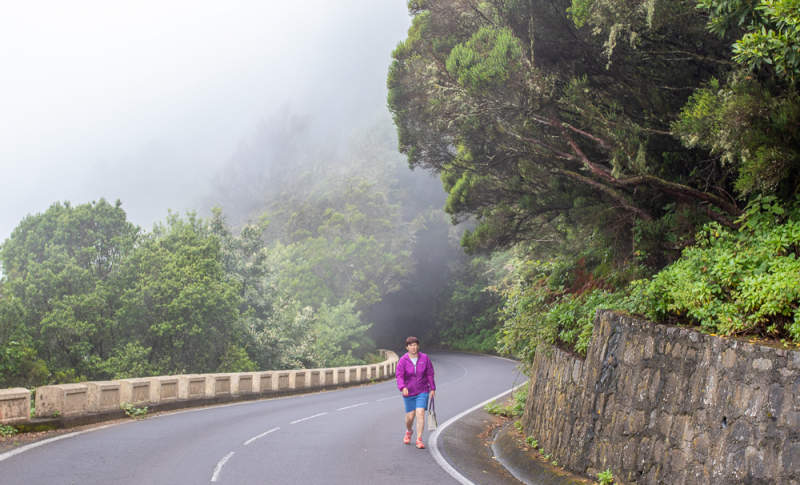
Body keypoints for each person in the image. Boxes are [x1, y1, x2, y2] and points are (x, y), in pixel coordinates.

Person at [396, 336, 436, 449]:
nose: (413, 347)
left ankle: (419, 439)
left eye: (415, 345)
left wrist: (432, 388)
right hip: (408, 391)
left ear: (418, 346)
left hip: (423, 390)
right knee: (410, 417)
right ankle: (409, 431)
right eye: (410, 345)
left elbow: (430, 373)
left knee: (420, 414)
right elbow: (399, 375)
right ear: (407, 347)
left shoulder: (425, 358)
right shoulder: (403, 360)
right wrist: (403, 387)